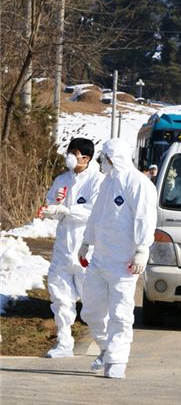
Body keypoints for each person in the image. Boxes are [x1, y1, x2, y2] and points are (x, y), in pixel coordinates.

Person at [79, 138, 157, 379]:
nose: (102, 162)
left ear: (116, 158)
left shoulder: (139, 184)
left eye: (105, 157)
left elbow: (145, 218)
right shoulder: (107, 184)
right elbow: (96, 216)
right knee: (90, 311)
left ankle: (117, 360)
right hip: (100, 259)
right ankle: (105, 348)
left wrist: (142, 249)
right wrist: (86, 242)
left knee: (120, 314)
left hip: (124, 263)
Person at [37, 138, 104, 358]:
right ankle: (64, 343)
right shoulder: (62, 179)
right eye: (69, 151)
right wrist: (51, 209)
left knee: (92, 302)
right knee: (60, 297)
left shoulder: (97, 181)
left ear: (86, 158)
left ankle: (106, 345)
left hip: (86, 249)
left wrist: (66, 211)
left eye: (74, 153)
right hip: (63, 249)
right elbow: (51, 203)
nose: (70, 157)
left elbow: (93, 212)